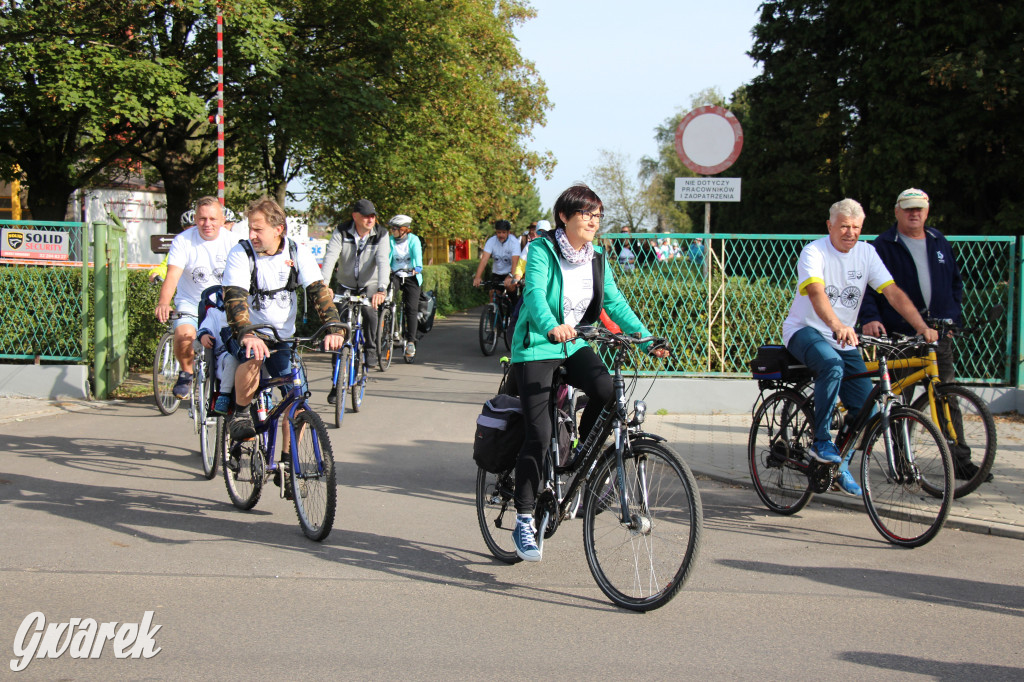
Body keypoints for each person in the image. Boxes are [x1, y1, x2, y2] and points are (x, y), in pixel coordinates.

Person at [507, 183, 670, 562]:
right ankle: (525, 519)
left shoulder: (596, 258)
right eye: (586, 214)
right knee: (539, 433)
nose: (594, 221)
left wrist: (647, 340)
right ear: (564, 216)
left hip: (575, 344)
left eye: (598, 215)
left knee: (611, 394)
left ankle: (581, 456)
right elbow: (533, 294)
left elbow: (615, 302)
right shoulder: (542, 250)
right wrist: (551, 324)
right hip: (538, 345)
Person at [782, 198, 938, 497]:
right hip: (806, 330)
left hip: (843, 337)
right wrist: (837, 324)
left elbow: (892, 293)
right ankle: (822, 440)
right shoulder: (814, 251)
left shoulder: (867, 253)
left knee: (866, 408)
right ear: (830, 226)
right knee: (831, 364)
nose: (850, 232)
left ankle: (839, 466)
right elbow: (816, 292)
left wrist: (921, 327)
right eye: (844, 226)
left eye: (856, 227)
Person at [858, 188, 978, 479]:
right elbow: (868, 287)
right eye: (908, 209)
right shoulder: (883, 245)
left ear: (927, 212)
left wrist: (952, 320)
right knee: (900, 399)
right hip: (901, 334)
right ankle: (901, 461)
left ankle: (960, 461)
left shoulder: (939, 241)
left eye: (919, 209)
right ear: (897, 211)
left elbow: (955, 284)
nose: (914, 214)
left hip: (936, 335)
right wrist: (871, 318)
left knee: (945, 394)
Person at [221, 197, 345, 441]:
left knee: (297, 400)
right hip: (246, 331)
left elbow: (318, 291)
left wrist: (333, 327)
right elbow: (235, 298)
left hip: (282, 337)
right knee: (253, 354)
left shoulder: (297, 252)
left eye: (258, 229)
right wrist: (247, 333)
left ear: (278, 229)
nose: (252, 234)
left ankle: (289, 466)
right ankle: (241, 414)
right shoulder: (240, 253)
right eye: (250, 228)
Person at [153, 197, 239, 400]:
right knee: (184, 334)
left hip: (222, 305)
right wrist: (164, 302)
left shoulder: (234, 242)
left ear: (222, 219)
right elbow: (172, 274)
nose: (207, 224)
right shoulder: (183, 240)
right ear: (195, 218)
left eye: (212, 218)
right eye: (202, 219)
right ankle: (186, 373)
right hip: (191, 301)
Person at [320, 198, 391, 388]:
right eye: (366, 216)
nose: (370, 220)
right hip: (346, 284)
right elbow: (330, 258)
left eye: (373, 216)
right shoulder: (341, 231)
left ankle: (371, 349)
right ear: (355, 217)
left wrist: (382, 289)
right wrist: (323, 285)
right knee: (338, 328)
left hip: (370, 284)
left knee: (369, 311)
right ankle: (336, 384)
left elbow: (384, 262)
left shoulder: (381, 234)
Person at [195, 287, 238, 415]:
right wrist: (204, 335)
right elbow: (205, 326)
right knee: (232, 360)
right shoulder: (214, 313)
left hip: (247, 352)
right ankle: (224, 395)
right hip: (224, 354)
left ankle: (265, 394)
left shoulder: (251, 310)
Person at [387, 214, 424, 360]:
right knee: (387, 300)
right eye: (391, 228)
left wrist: (418, 267)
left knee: (411, 309)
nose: (392, 231)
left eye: (395, 228)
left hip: (411, 276)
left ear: (403, 230)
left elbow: (418, 255)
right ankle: (390, 327)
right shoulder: (390, 240)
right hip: (395, 275)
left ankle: (410, 342)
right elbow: (385, 257)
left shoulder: (413, 239)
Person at [472, 219, 521, 293]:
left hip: (510, 272)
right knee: (493, 294)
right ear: (496, 232)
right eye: (499, 232)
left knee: (510, 289)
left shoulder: (514, 242)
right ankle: (493, 304)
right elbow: (484, 260)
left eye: (504, 232)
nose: (501, 235)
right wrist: (478, 277)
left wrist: (511, 276)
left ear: (508, 232)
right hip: (497, 274)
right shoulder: (491, 241)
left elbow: (515, 262)